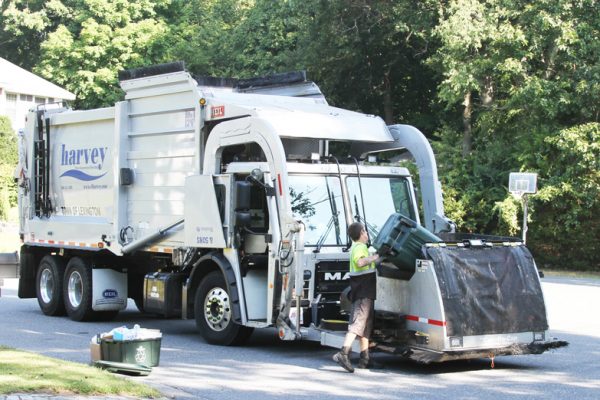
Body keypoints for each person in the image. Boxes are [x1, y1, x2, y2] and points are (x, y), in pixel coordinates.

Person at [333, 222, 380, 372]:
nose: (367, 234)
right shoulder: (359, 247)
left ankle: (365, 359)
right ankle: (343, 353)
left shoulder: (362, 248)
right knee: (357, 324)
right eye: (365, 231)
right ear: (360, 233)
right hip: (362, 291)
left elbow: (368, 264)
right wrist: (376, 257)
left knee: (365, 325)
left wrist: (379, 257)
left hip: (366, 291)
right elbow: (360, 263)